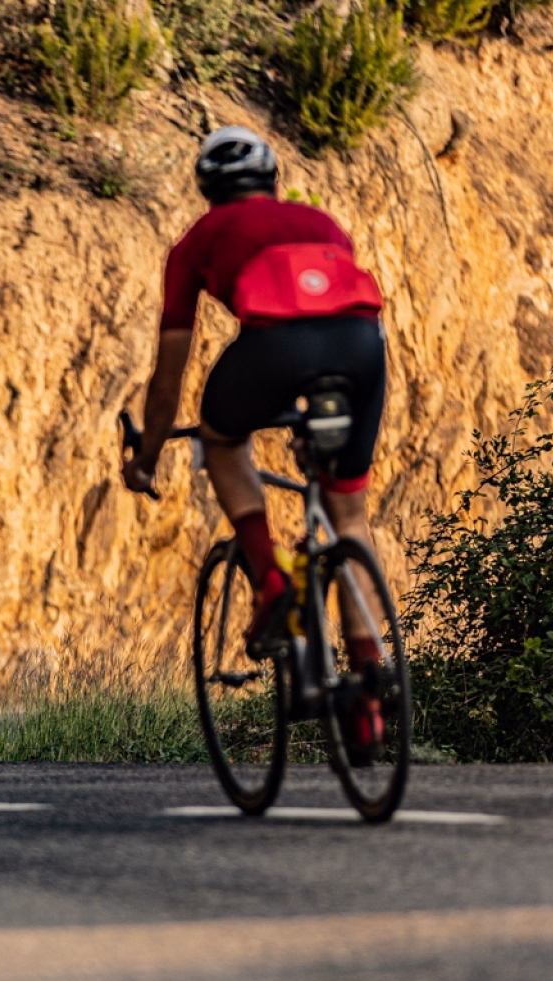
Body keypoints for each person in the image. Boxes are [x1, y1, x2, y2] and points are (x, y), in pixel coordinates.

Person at [122, 125, 389, 756]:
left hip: (272, 349)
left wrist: (149, 453)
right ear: (272, 178)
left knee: (221, 439)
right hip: (362, 348)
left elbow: (170, 372)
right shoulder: (321, 222)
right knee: (350, 516)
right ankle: (369, 686)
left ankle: (269, 577)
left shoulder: (195, 243)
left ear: (208, 191)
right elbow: (328, 306)